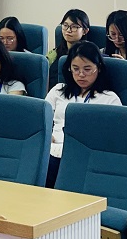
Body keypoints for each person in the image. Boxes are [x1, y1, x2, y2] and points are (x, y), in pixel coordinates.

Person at [45, 41, 121, 187]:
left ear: (98, 68)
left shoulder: (110, 99)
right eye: (75, 69)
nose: (81, 75)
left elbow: (113, 137)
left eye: (87, 69)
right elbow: (41, 119)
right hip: (52, 148)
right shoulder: (58, 91)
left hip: (86, 153)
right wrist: (48, 134)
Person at [48, 9, 91, 89]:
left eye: (74, 27)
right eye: (65, 25)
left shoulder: (90, 55)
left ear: (85, 31)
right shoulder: (53, 54)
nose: (68, 30)